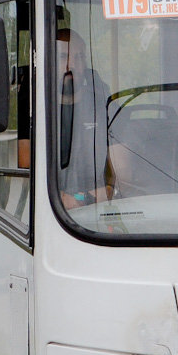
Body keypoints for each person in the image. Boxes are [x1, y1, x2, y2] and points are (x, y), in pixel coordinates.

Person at [54, 12, 113, 210]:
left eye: (79, 57)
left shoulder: (101, 103)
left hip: (96, 207)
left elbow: (118, 162)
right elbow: (25, 163)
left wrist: (110, 188)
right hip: (52, 209)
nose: (72, 65)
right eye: (64, 57)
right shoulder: (39, 108)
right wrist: (58, 197)